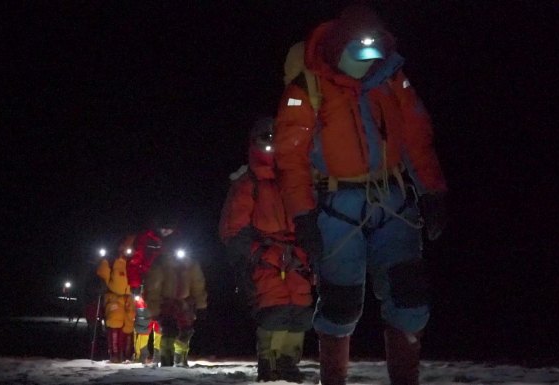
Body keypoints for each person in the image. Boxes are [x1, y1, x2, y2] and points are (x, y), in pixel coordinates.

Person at [273, 5, 448, 385]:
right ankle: (332, 379)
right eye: (359, 53)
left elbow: (417, 135)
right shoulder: (308, 87)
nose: (367, 62)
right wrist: (303, 215)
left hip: (393, 200)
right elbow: (291, 158)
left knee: (410, 298)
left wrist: (432, 191)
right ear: (339, 48)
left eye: (373, 53)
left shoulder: (391, 79)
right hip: (338, 207)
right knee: (340, 303)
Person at [219, 117, 313, 382]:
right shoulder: (248, 183)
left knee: (301, 311)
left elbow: (308, 215)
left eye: (276, 137)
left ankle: (288, 363)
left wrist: (308, 250)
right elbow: (234, 229)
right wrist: (257, 254)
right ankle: (268, 364)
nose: (272, 143)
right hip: (266, 257)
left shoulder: (297, 178)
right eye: (266, 138)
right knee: (275, 310)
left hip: (297, 257)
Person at [143, 237, 208, 368]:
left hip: (185, 304)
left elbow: (198, 285)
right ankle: (166, 359)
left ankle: (180, 357)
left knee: (186, 331)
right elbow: (153, 286)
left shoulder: (191, 264)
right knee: (168, 332)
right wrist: (154, 308)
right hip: (167, 304)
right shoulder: (161, 263)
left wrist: (201, 304)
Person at [127, 214, 177, 365]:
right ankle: (141, 354)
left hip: (166, 287)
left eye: (170, 229)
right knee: (143, 320)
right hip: (146, 285)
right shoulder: (146, 239)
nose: (167, 231)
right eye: (165, 228)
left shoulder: (174, 241)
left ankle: (159, 354)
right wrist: (135, 284)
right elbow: (134, 263)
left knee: (162, 322)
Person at [96, 234, 137, 363]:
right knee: (115, 323)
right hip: (114, 296)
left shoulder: (133, 261)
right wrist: (101, 283)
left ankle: (127, 354)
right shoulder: (111, 260)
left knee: (129, 325)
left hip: (129, 297)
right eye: (126, 245)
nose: (128, 249)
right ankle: (114, 354)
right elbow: (103, 274)